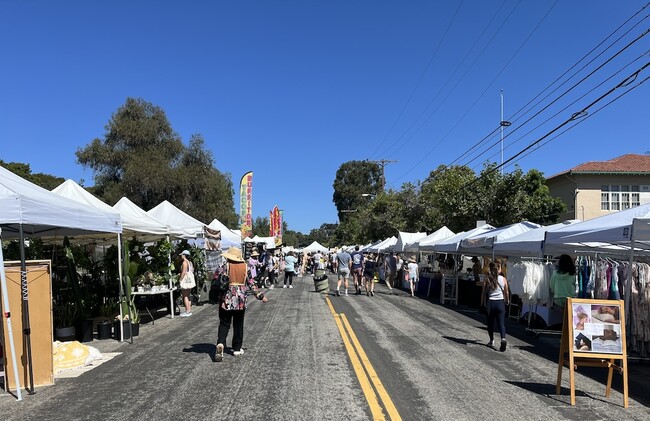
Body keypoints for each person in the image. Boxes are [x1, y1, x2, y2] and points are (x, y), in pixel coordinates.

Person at [215, 247, 268, 362]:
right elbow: (251, 283)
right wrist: (260, 296)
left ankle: (220, 343)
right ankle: (237, 348)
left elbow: (216, 280)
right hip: (240, 300)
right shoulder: (245, 267)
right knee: (238, 324)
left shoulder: (224, 267)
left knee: (224, 323)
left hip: (226, 299)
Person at [485, 261, 510, 352]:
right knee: (501, 323)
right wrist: (507, 300)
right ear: (499, 269)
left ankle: (492, 340)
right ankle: (503, 338)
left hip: (491, 303)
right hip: (500, 303)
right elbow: (506, 291)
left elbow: (485, 292)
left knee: (490, 324)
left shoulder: (488, 279)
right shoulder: (503, 279)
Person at [179, 250, 194, 317]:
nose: (181, 256)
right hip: (189, 281)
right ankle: (189, 310)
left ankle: (187, 311)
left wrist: (180, 279)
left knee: (185, 296)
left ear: (184, 255)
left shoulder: (184, 262)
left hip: (185, 281)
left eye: (182, 255)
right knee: (188, 295)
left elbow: (184, 272)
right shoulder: (189, 262)